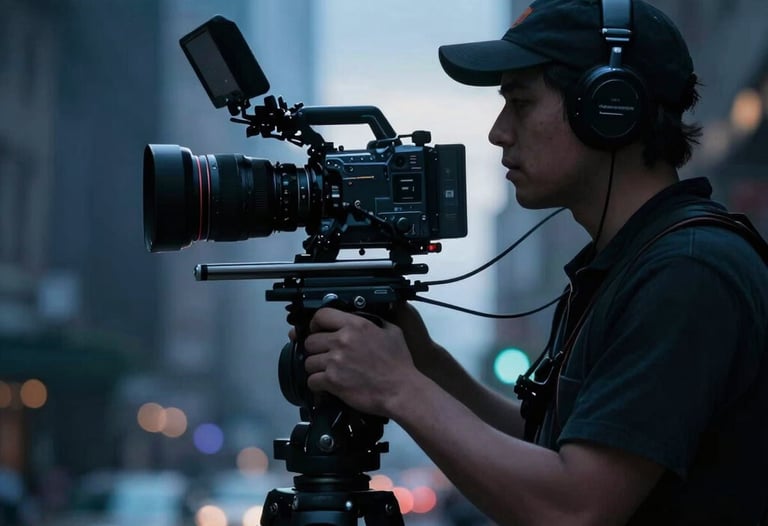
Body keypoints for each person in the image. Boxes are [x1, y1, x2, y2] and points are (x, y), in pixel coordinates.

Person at [296, 0, 768, 524]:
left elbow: (575, 508)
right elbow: (551, 450)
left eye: (519, 103)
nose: (499, 131)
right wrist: (424, 363)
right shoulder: (627, 264)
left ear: (608, 107)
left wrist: (396, 388)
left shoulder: (688, 272)